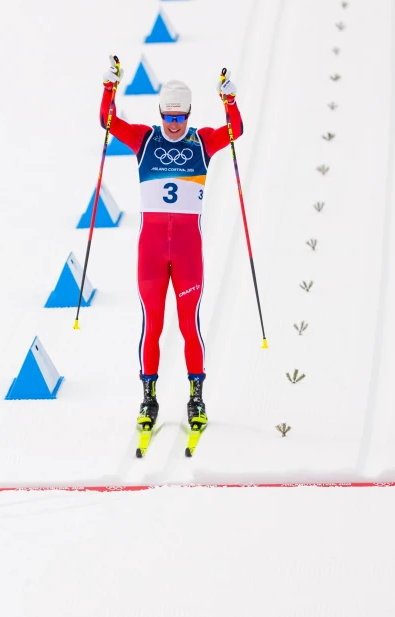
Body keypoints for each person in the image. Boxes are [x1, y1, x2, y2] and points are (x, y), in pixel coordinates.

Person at [99, 58, 243, 433]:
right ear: (160, 113)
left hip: (186, 252)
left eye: (180, 117)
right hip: (150, 253)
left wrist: (229, 100)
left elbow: (235, 130)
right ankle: (149, 399)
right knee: (153, 326)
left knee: (188, 326)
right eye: (168, 117)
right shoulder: (145, 140)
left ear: (189, 114)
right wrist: (110, 88)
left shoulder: (202, 142)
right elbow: (108, 122)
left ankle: (196, 398)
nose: (174, 124)